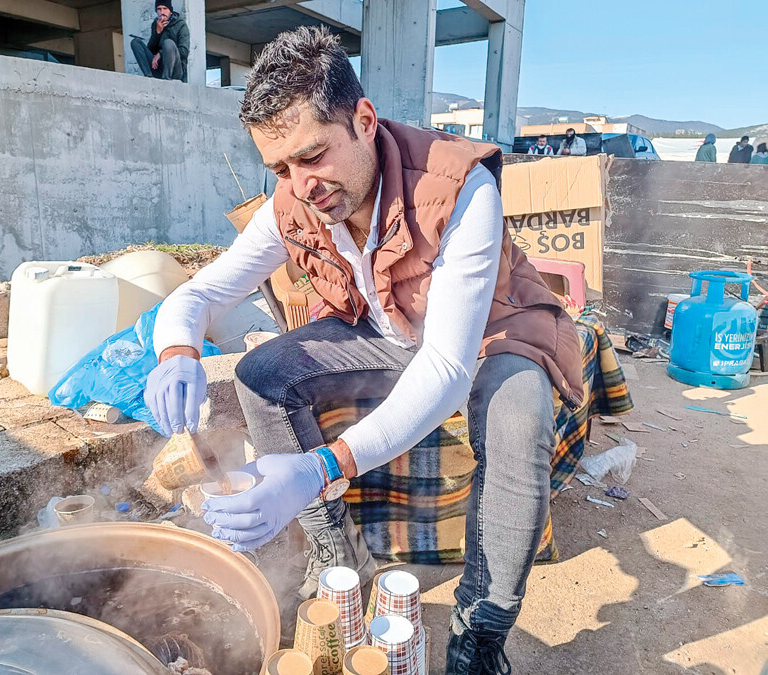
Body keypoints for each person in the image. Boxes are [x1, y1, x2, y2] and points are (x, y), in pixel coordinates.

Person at [144, 27, 581, 674]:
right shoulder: (292, 203)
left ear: (365, 120)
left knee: (519, 418)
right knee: (263, 373)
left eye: (313, 155)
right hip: (386, 329)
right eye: (282, 168)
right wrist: (176, 348)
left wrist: (322, 465)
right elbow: (201, 292)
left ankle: (478, 633)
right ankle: (337, 556)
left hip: (486, 336)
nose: (302, 185)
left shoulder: (459, 190)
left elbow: (446, 368)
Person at [130, 1, 189, 82]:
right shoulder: (156, 24)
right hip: (158, 67)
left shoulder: (181, 24)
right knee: (135, 42)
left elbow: (184, 52)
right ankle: (149, 77)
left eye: (165, 9)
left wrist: (160, 53)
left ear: (170, 11)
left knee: (168, 43)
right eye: (159, 9)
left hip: (175, 70)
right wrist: (157, 33)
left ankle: (166, 79)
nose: (162, 12)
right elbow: (151, 49)